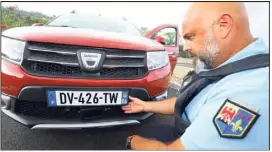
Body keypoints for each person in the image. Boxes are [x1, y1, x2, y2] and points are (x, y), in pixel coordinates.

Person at [122, 2, 269, 150]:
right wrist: (145, 106)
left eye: (190, 37)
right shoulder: (226, 66)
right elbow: (189, 100)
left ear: (223, 26)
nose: (185, 47)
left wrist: (131, 141)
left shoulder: (247, 92)